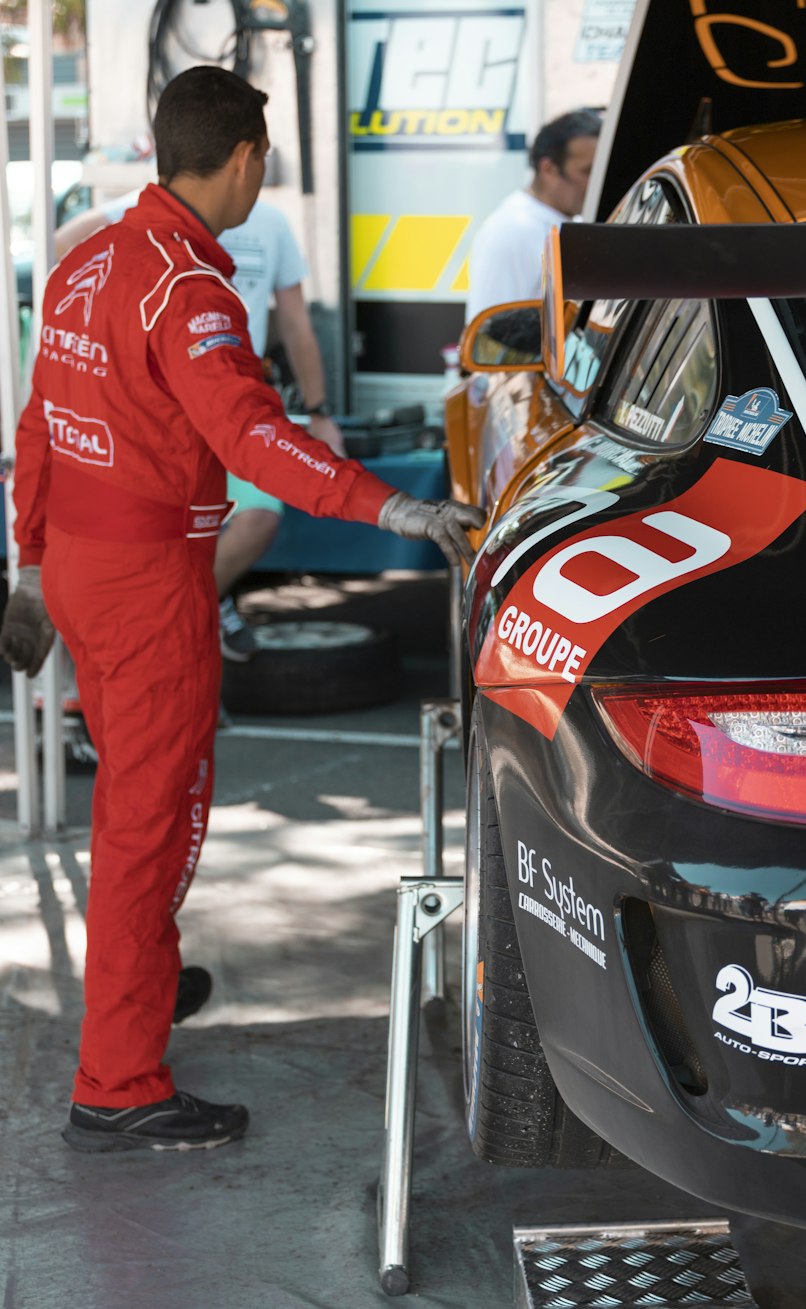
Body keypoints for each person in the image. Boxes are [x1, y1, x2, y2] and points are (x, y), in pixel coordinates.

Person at [0, 65, 484, 1154]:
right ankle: (119, 1082)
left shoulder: (88, 263)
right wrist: (395, 510)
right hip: (144, 582)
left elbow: (36, 422)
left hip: (78, 566)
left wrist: (30, 565)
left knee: (137, 805)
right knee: (148, 823)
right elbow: (255, 439)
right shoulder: (188, 288)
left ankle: (143, 986)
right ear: (249, 158)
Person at [58, 193, 341, 662]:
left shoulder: (270, 222)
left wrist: (320, 411)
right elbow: (60, 248)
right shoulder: (140, 210)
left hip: (233, 404)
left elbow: (295, 323)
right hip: (154, 412)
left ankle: (182, 616)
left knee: (259, 520)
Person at [464, 109, 601, 324]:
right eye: (587, 171)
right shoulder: (511, 231)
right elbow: (491, 336)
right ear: (549, 169)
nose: (596, 181)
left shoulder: (566, 220)